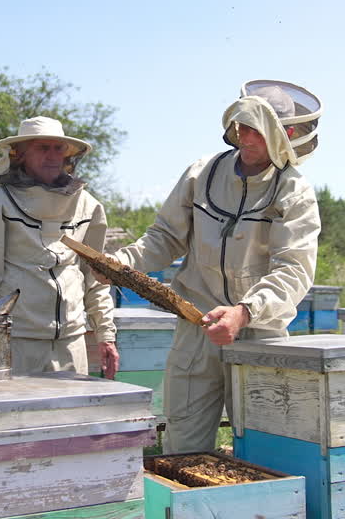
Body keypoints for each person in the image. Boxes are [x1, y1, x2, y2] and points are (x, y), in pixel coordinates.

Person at [109, 80, 321, 452]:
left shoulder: (294, 190)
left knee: (264, 449)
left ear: (285, 134)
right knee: (183, 445)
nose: (246, 137)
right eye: (242, 126)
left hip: (259, 334)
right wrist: (121, 262)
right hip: (197, 328)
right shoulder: (201, 173)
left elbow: (294, 269)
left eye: (257, 129)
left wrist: (245, 312)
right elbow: (165, 237)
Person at [0, 116, 120, 379]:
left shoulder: (88, 206)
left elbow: (96, 277)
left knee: (72, 419)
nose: (53, 156)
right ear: (19, 154)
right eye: (43, 148)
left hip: (72, 344)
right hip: (14, 343)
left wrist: (105, 334)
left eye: (58, 148)